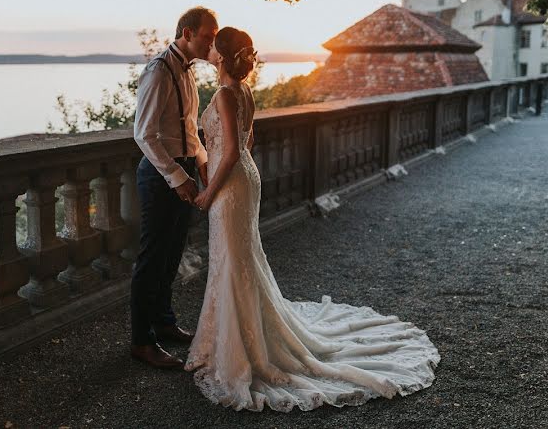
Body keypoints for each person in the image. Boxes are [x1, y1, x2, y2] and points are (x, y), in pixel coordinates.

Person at [185, 27, 441, 412]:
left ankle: (238, 348)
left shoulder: (223, 94)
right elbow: (248, 142)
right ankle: (235, 337)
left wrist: (207, 191)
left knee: (234, 260)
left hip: (231, 184)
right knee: (241, 258)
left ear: (221, 57)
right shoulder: (245, 92)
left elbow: (234, 150)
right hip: (246, 180)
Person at [130, 7, 218, 368]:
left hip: (183, 170)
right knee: (151, 260)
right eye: (207, 37)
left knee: (171, 255)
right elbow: (145, 134)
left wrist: (203, 168)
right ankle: (141, 341)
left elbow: (190, 132)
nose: (212, 43)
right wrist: (178, 179)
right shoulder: (159, 70)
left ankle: (164, 324)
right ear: (187, 32)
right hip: (159, 175)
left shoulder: (188, 71)